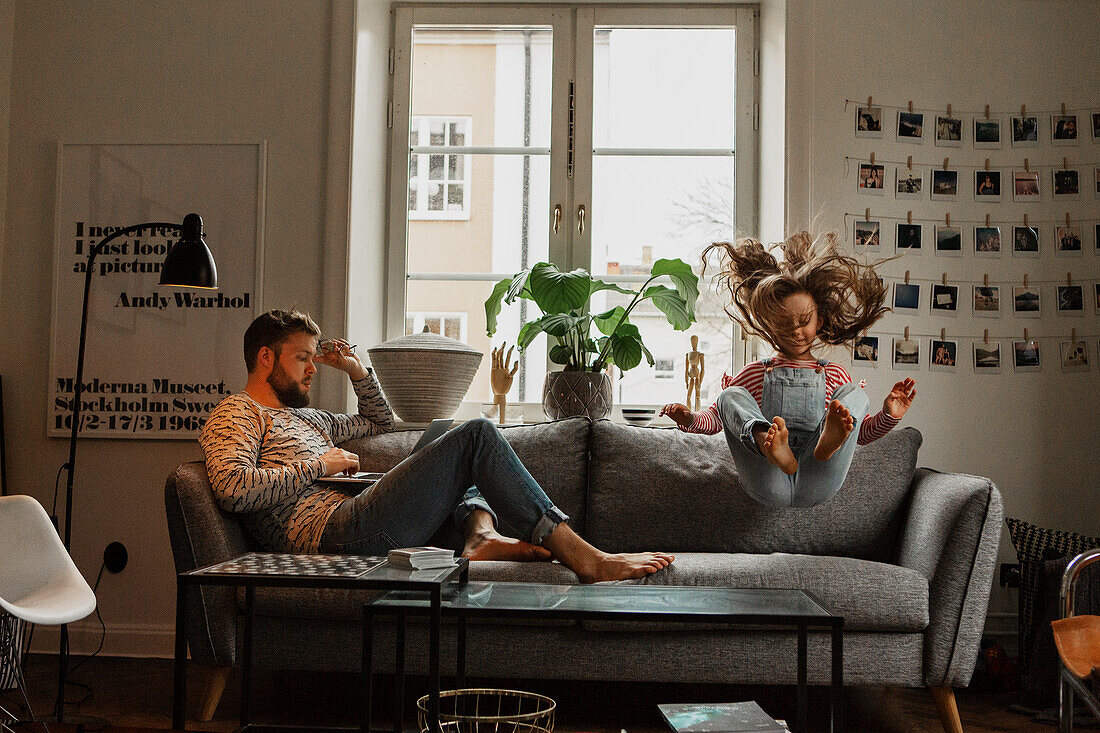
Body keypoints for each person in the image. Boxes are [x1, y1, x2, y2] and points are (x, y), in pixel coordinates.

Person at [200, 309, 673, 582]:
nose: (312, 368)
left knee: (444, 431)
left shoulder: (304, 417)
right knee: (477, 436)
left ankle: (480, 536)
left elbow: (375, 420)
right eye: (302, 358)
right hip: (331, 533)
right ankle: (585, 557)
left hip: (356, 512)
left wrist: (356, 370)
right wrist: (316, 465)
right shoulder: (237, 413)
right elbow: (232, 489)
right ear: (266, 357)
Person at [659, 232, 916, 508]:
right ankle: (765, 441)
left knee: (853, 393)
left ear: (820, 321)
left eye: (804, 321)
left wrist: (889, 415)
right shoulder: (755, 372)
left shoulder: (834, 375)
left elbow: (860, 434)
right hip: (769, 477)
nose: (795, 330)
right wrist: (690, 419)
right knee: (729, 396)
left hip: (819, 472)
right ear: (770, 325)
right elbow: (719, 419)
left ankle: (826, 443)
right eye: (784, 322)